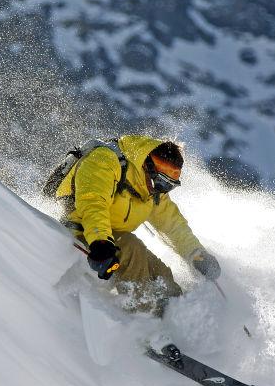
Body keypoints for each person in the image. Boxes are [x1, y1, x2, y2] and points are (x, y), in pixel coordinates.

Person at [52, 135, 221, 330]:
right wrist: (100, 243)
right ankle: (144, 322)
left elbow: (173, 225)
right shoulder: (106, 161)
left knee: (160, 273)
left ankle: (177, 322)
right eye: (161, 182)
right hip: (82, 232)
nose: (162, 189)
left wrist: (196, 254)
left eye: (169, 186)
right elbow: (93, 204)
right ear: (147, 166)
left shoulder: (152, 191)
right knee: (133, 248)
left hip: (111, 240)